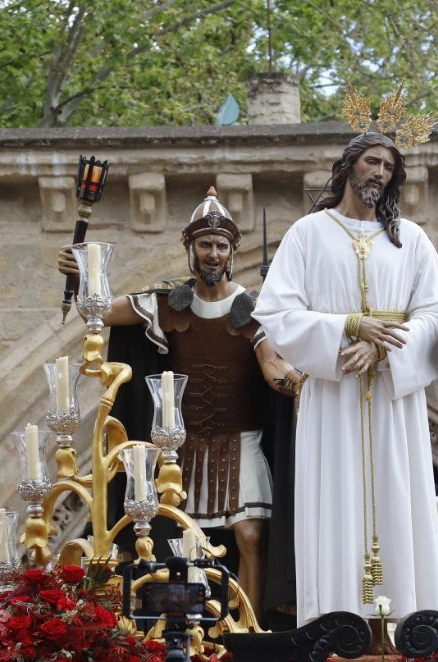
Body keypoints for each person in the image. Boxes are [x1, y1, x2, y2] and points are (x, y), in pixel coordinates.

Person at [59, 189, 299, 620]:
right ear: (191, 249)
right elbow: (98, 313)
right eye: (205, 245)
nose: (213, 253)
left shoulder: (254, 309)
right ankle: (186, 630)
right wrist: (81, 277)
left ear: (231, 252)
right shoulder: (164, 304)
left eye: (221, 246)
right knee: (177, 538)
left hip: (239, 440)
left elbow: (272, 364)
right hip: (179, 445)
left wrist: (299, 386)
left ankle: (253, 627)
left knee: (249, 535)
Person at [254, 131, 438, 624]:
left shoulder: (411, 238)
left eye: (389, 167)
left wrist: (383, 347)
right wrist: (348, 327)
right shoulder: (308, 234)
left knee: (399, 500)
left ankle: (410, 631)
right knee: (335, 507)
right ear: (349, 165)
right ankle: (336, 629)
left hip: (393, 396)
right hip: (332, 395)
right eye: (372, 161)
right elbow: (276, 313)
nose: (380, 173)